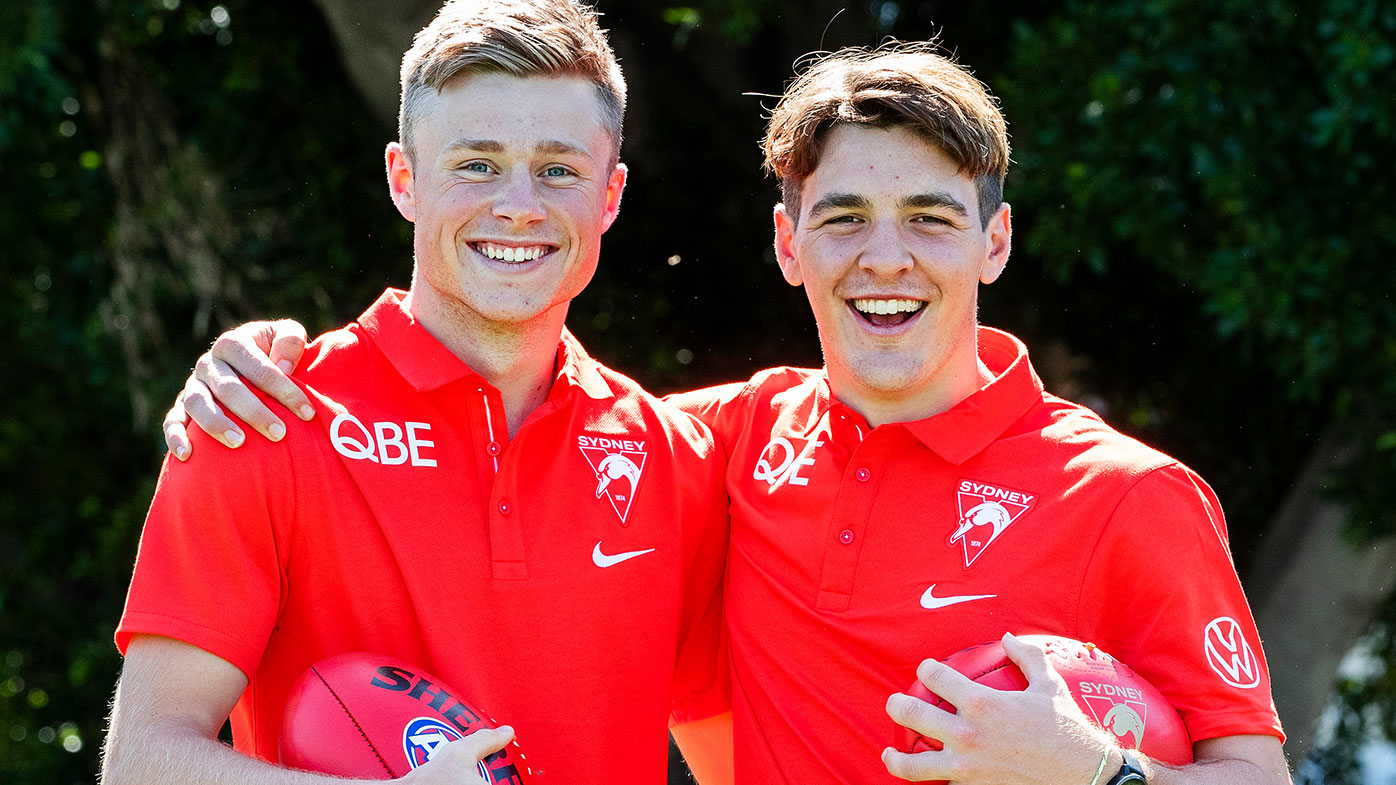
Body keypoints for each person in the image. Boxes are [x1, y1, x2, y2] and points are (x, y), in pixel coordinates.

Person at [159, 37, 1293, 785]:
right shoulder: (722, 445)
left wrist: (1099, 773)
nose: (884, 257)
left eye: (931, 219)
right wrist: (252, 363)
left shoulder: (1129, 494)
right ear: (786, 244)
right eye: (842, 216)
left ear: (993, 240)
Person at [101, 3, 733, 785]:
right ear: (404, 178)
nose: (519, 204)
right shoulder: (262, 417)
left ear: (610, 194)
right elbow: (142, 762)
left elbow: (738, 765)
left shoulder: (679, 459)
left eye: (559, 169)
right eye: (477, 163)